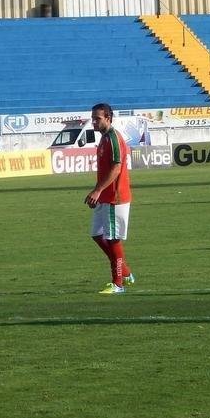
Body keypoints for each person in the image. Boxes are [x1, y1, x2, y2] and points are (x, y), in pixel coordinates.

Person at [84, 103, 134, 295]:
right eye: (93, 118)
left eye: (97, 118)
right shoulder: (104, 139)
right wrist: (98, 192)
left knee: (113, 239)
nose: (94, 121)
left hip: (115, 196)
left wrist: (97, 191)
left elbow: (116, 168)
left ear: (108, 118)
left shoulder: (113, 138)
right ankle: (126, 272)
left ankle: (118, 283)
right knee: (97, 234)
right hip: (104, 196)